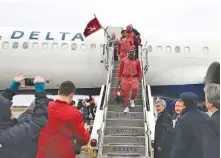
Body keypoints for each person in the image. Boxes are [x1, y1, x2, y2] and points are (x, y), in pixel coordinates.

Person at [0, 74, 50, 158]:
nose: (11, 108)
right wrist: (40, 92)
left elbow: (2, 106)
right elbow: (39, 120)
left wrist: (12, 87)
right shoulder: (10, 135)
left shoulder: (5, 130)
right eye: (9, 108)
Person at [36, 81, 90, 158]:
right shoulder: (74, 113)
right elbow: (82, 139)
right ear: (71, 95)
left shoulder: (45, 108)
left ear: (58, 92)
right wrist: (86, 131)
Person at [172, 92, 209, 158]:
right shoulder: (205, 116)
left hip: (189, 154)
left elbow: (179, 145)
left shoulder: (183, 119)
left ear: (184, 103)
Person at [202, 84, 220, 158]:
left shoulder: (211, 122)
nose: (204, 101)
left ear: (211, 102)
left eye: (206, 98)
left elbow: (210, 148)